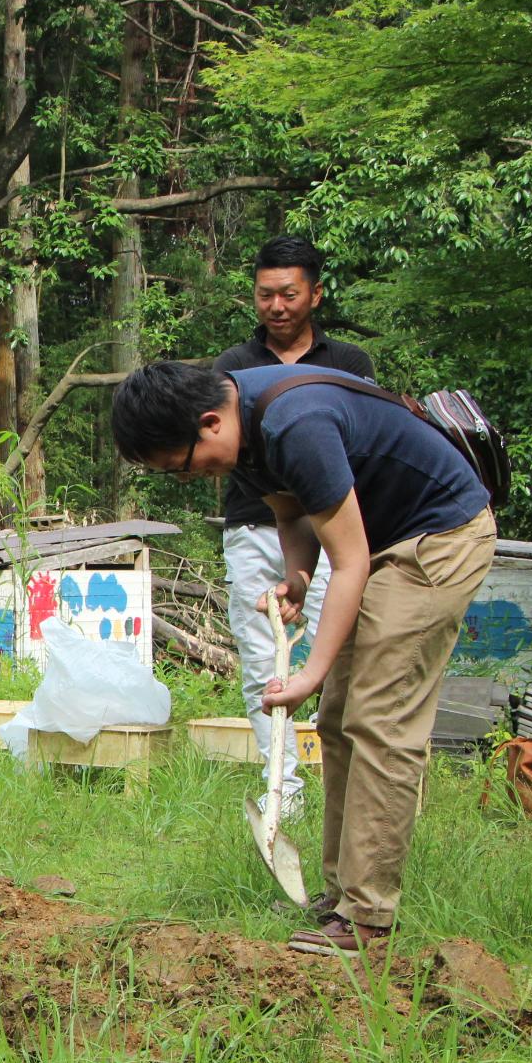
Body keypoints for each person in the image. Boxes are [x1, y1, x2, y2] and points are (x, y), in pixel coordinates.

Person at [112, 360, 495, 957]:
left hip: (435, 538)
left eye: (182, 467)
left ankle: (368, 917)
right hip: (381, 540)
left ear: (209, 422)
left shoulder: (296, 424)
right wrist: (295, 577)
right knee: (340, 720)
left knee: (379, 719)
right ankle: (343, 895)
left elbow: (352, 563)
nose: (191, 479)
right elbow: (291, 513)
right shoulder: (244, 435)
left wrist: (311, 672)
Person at [211, 236, 376, 817]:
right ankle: (281, 789)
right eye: (265, 295)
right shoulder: (233, 366)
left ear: (314, 293)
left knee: (339, 655)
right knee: (262, 660)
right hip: (255, 526)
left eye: (288, 294)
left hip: (335, 530)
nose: (276, 306)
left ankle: (347, 789)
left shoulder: (350, 364)